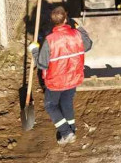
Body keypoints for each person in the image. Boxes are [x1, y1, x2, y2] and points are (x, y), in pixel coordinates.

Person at [28, 7, 93, 145]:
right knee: (66, 103)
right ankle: (72, 130)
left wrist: (34, 50)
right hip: (73, 78)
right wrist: (80, 28)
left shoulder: (49, 40)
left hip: (56, 82)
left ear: (53, 22)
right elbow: (88, 46)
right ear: (65, 19)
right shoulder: (76, 34)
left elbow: (42, 65)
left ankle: (66, 132)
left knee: (50, 105)